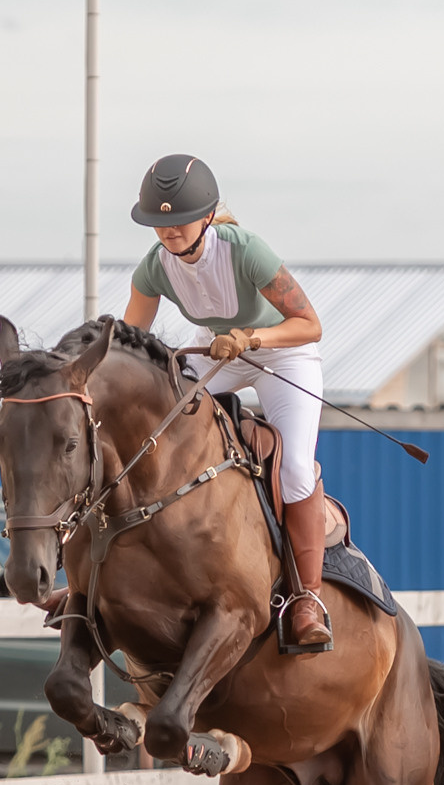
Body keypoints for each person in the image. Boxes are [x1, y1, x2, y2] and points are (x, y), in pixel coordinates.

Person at [123, 153, 330, 648]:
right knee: (157, 427)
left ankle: (308, 598)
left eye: (181, 220)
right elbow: (130, 340)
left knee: (295, 468)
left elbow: (310, 325)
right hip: (218, 352)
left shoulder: (246, 251)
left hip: (284, 356)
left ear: (208, 216)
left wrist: (251, 338)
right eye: (160, 222)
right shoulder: (154, 268)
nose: (169, 231)